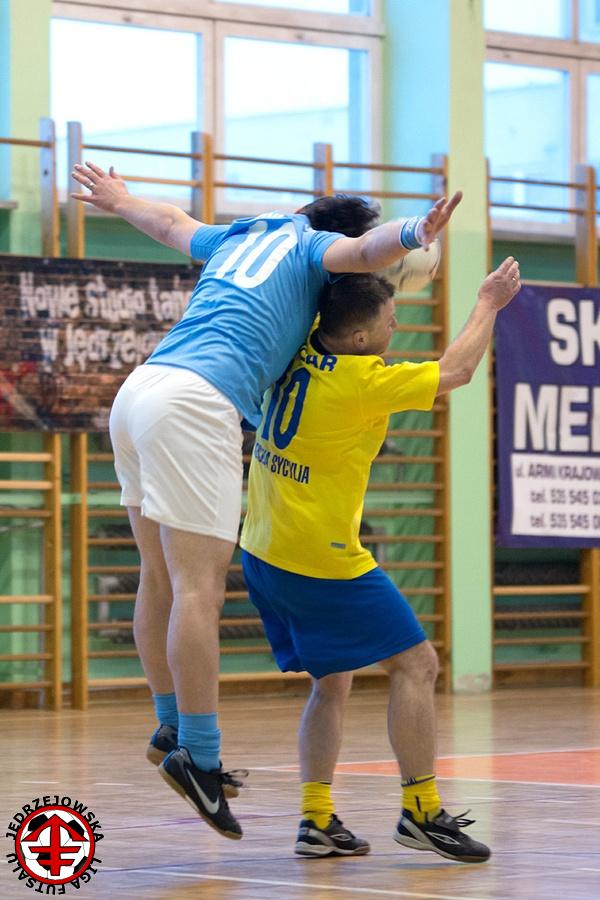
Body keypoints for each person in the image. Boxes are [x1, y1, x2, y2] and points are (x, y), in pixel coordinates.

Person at [71, 160, 462, 841]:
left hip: (139, 392)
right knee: (198, 590)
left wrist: (120, 197)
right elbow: (365, 252)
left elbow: (170, 223)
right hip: (196, 402)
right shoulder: (316, 248)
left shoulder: (245, 233)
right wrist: (413, 233)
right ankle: (201, 756)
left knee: (157, 578)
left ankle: (171, 726)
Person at [240, 257, 522, 861]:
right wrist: (488, 302)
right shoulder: (363, 381)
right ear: (362, 338)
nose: (397, 329)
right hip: (320, 562)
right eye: (391, 322)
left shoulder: (297, 346)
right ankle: (421, 811)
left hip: (262, 550)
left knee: (333, 680)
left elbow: (329, 277)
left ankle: (317, 819)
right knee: (418, 664)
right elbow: (457, 370)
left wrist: (392, 251)